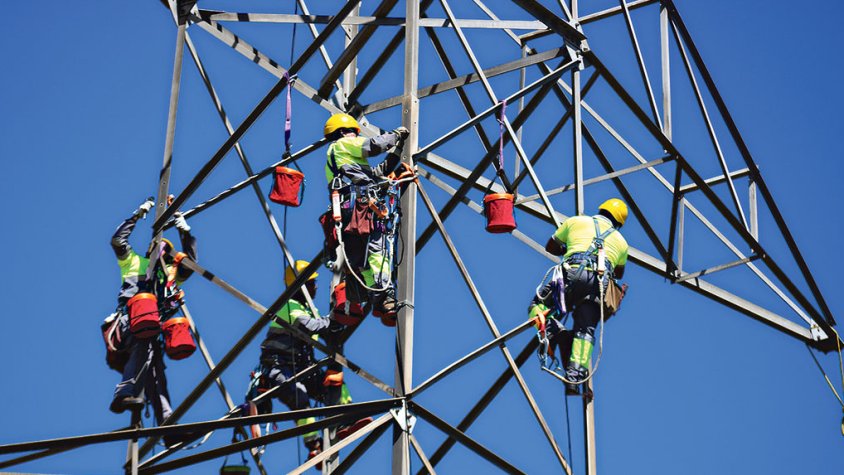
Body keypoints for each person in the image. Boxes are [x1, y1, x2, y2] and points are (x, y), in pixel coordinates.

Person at [256, 260, 370, 463]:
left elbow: (324, 332)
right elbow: (309, 327)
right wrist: (335, 318)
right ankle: (314, 445)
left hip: (301, 368)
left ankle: (345, 419)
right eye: (311, 283)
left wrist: (341, 318)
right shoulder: (289, 306)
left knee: (335, 382)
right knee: (299, 397)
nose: (315, 286)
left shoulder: (309, 310)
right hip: (279, 367)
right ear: (301, 285)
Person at [107, 197, 197, 446]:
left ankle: (168, 426)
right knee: (144, 348)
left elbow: (190, 263)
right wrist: (137, 215)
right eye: (163, 251)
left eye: (169, 254)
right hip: (129, 325)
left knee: (157, 375)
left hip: (149, 332)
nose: (166, 256)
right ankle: (124, 393)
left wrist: (184, 228)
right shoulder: (134, 262)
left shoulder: (169, 277)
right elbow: (117, 241)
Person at [528, 198, 629, 394]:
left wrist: (571, 248)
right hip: (598, 286)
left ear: (601, 209)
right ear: (618, 223)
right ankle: (574, 378)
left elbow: (552, 246)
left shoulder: (576, 221)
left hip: (571, 275)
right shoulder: (622, 242)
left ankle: (551, 330)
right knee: (585, 330)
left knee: (538, 304)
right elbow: (618, 273)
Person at [323, 113, 410, 325]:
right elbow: (374, 146)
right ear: (343, 132)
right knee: (377, 250)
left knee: (364, 260)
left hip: (349, 213)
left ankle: (379, 296)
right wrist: (396, 135)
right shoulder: (343, 144)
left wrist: (398, 151)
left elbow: (377, 172)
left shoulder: (342, 160)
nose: (356, 136)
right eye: (354, 133)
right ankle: (383, 292)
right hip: (360, 207)